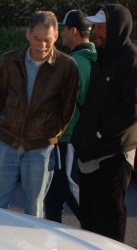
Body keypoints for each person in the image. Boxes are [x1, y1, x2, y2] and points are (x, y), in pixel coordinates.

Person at [0, 10, 78, 219]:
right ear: (28, 34)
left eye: (48, 40)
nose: (42, 45)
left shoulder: (67, 67)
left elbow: (67, 110)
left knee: (34, 211)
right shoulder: (8, 61)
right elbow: (1, 99)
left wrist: (49, 134)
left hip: (40, 149)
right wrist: (7, 126)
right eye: (37, 38)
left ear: (56, 37)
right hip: (7, 143)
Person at [72, 4, 137, 242]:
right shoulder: (102, 58)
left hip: (114, 152)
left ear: (117, 27)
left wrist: (102, 134)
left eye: (101, 27)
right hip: (91, 153)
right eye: (95, 27)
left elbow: (136, 107)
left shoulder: (133, 58)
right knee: (90, 220)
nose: (96, 32)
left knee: (110, 219)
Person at [44, 9, 97, 223]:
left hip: (66, 135)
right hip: (85, 133)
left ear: (73, 30)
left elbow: (61, 101)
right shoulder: (97, 58)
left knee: (66, 183)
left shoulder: (72, 63)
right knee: (54, 193)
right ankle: (52, 231)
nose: (60, 34)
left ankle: (93, 225)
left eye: (63, 29)